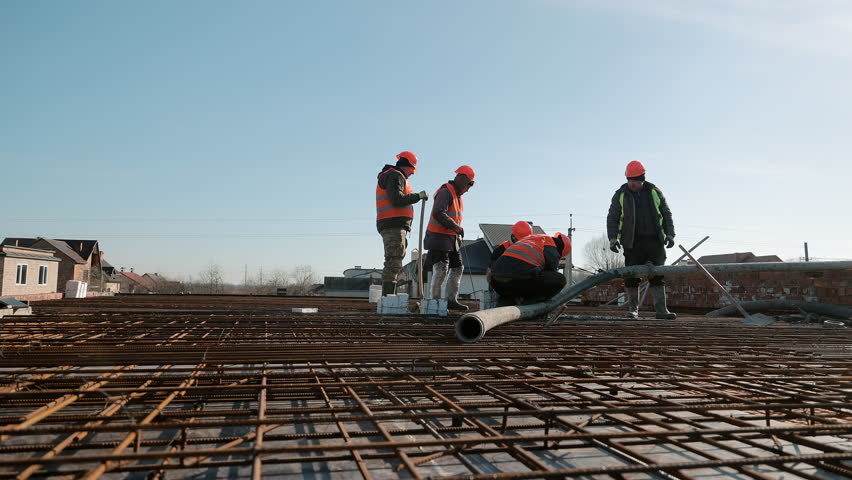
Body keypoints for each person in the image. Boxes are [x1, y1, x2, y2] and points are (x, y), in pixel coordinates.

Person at [606, 160, 677, 319]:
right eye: (629, 179)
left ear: (642, 179)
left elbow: (666, 213)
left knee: (657, 275)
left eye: (635, 180)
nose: (631, 183)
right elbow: (613, 218)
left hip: (654, 240)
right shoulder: (621, 194)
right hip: (632, 242)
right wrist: (613, 238)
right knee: (631, 275)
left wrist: (670, 234)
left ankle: (661, 310)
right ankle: (633, 309)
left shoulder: (654, 191)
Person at [376, 151, 428, 296]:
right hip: (393, 225)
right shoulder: (395, 176)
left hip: (392, 224)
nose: (412, 173)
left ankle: (388, 299)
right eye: (412, 170)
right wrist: (417, 196)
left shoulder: (394, 176)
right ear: (407, 166)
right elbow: (397, 199)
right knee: (393, 262)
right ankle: (388, 300)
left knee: (394, 261)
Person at [423, 165, 475, 311]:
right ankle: (436, 303)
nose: (469, 188)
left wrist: (456, 232)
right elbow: (439, 213)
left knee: (457, 267)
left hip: (451, 239)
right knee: (441, 268)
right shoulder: (446, 192)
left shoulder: (456, 196)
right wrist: (456, 228)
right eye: (469, 184)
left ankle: (451, 300)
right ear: (462, 179)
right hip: (438, 238)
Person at [489, 232, 571, 306]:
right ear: (562, 250)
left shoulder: (532, 239)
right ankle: (532, 305)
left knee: (511, 293)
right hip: (518, 280)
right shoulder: (551, 246)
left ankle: (505, 303)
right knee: (560, 280)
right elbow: (551, 272)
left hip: (496, 282)